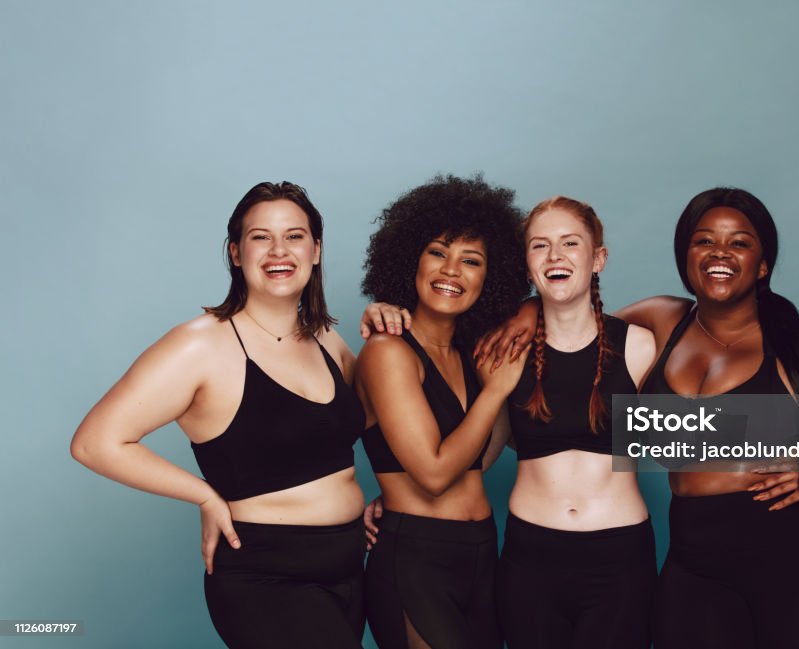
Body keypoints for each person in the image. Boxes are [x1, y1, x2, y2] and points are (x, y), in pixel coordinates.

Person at [475, 187, 799, 649]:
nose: (720, 253)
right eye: (704, 240)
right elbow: (575, 324)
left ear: (764, 264)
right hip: (698, 557)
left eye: (740, 243)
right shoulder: (661, 320)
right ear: (685, 257)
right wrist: (530, 310)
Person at [71, 182, 368, 649]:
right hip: (268, 580)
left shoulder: (328, 341)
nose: (278, 250)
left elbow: (375, 425)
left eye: (294, 236)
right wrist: (205, 496)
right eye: (260, 237)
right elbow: (94, 443)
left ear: (316, 250)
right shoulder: (200, 345)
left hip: (351, 572)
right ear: (235, 252)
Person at [356, 174, 530, 649]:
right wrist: (496, 393)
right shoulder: (388, 352)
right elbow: (433, 474)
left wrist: (529, 313)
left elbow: (480, 457)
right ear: (411, 258)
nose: (451, 270)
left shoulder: (470, 354)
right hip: (416, 558)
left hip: (480, 553)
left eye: (471, 261)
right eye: (438, 252)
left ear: (489, 278)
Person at [495, 196, 658, 648]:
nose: (555, 257)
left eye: (570, 243)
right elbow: (476, 449)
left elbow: (694, 436)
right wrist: (400, 500)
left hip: (620, 558)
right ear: (527, 264)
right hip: (529, 558)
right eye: (539, 246)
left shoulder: (640, 347)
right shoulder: (505, 348)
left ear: (598, 258)